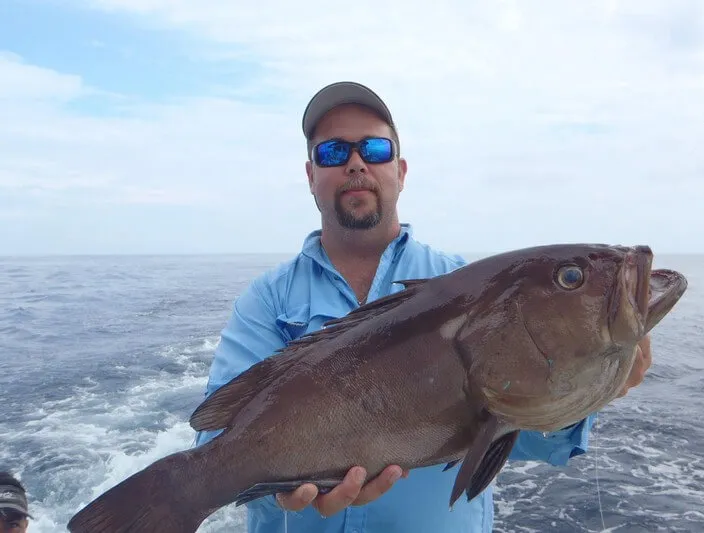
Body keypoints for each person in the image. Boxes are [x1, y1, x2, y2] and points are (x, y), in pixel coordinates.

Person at [194, 81, 653, 532]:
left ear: (401, 170)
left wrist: (586, 389)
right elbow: (216, 444)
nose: (356, 164)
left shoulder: (465, 282)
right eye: (333, 152)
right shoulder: (267, 300)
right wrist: (278, 488)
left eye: (374, 149)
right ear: (311, 175)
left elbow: (534, 437)